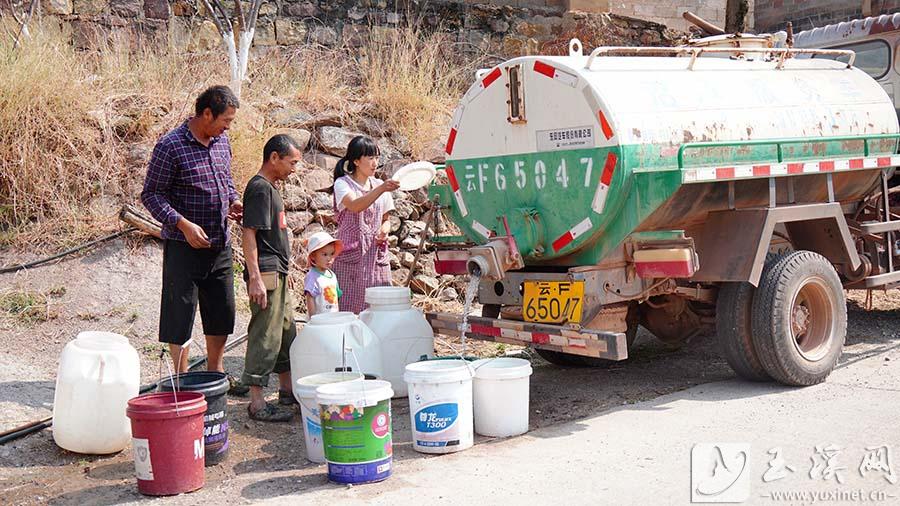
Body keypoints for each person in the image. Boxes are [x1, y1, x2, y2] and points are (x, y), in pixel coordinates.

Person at [141, 85, 242, 375]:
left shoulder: (222, 142)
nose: (227, 128)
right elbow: (151, 195)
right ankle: (181, 378)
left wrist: (233, 200)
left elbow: (227, 180)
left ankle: (215, 372)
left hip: (220, 243)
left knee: (222, 312)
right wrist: (182, 224)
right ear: (207, 113)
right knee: (179, 314)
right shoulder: (170, 146)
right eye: (225, 121)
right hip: (183, 247)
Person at [240, 134, 302, 422]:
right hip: (266, 271)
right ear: (274, 157)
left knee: (286, 331)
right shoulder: (259, 188)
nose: (294, 168)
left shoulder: (271, 189)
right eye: (291, 162)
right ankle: (256, 402)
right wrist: (254, 277)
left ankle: (287, 391)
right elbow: (249, 233)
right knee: (265, 332)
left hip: (278, 269)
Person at [331, 135, 400, 314]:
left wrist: (384, 230)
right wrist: (382, 189)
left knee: (379, 309)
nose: (375, 163)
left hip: (375, 255)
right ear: (355, 160)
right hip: (350, 258)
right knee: (348, 309)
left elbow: (386, 219)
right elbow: (355, 205)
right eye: (370, 158)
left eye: (377, 157)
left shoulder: (378, 185)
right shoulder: (343, 184)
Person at [303, 231, 343, 316]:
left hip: (333, 320)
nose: (329, 258)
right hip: (319, 322)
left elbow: (336, 299)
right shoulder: (312, 276)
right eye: (324, 254)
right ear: (313, 256)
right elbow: (310, 298)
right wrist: (313, 319)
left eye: (332, 254)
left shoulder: (332, 275)